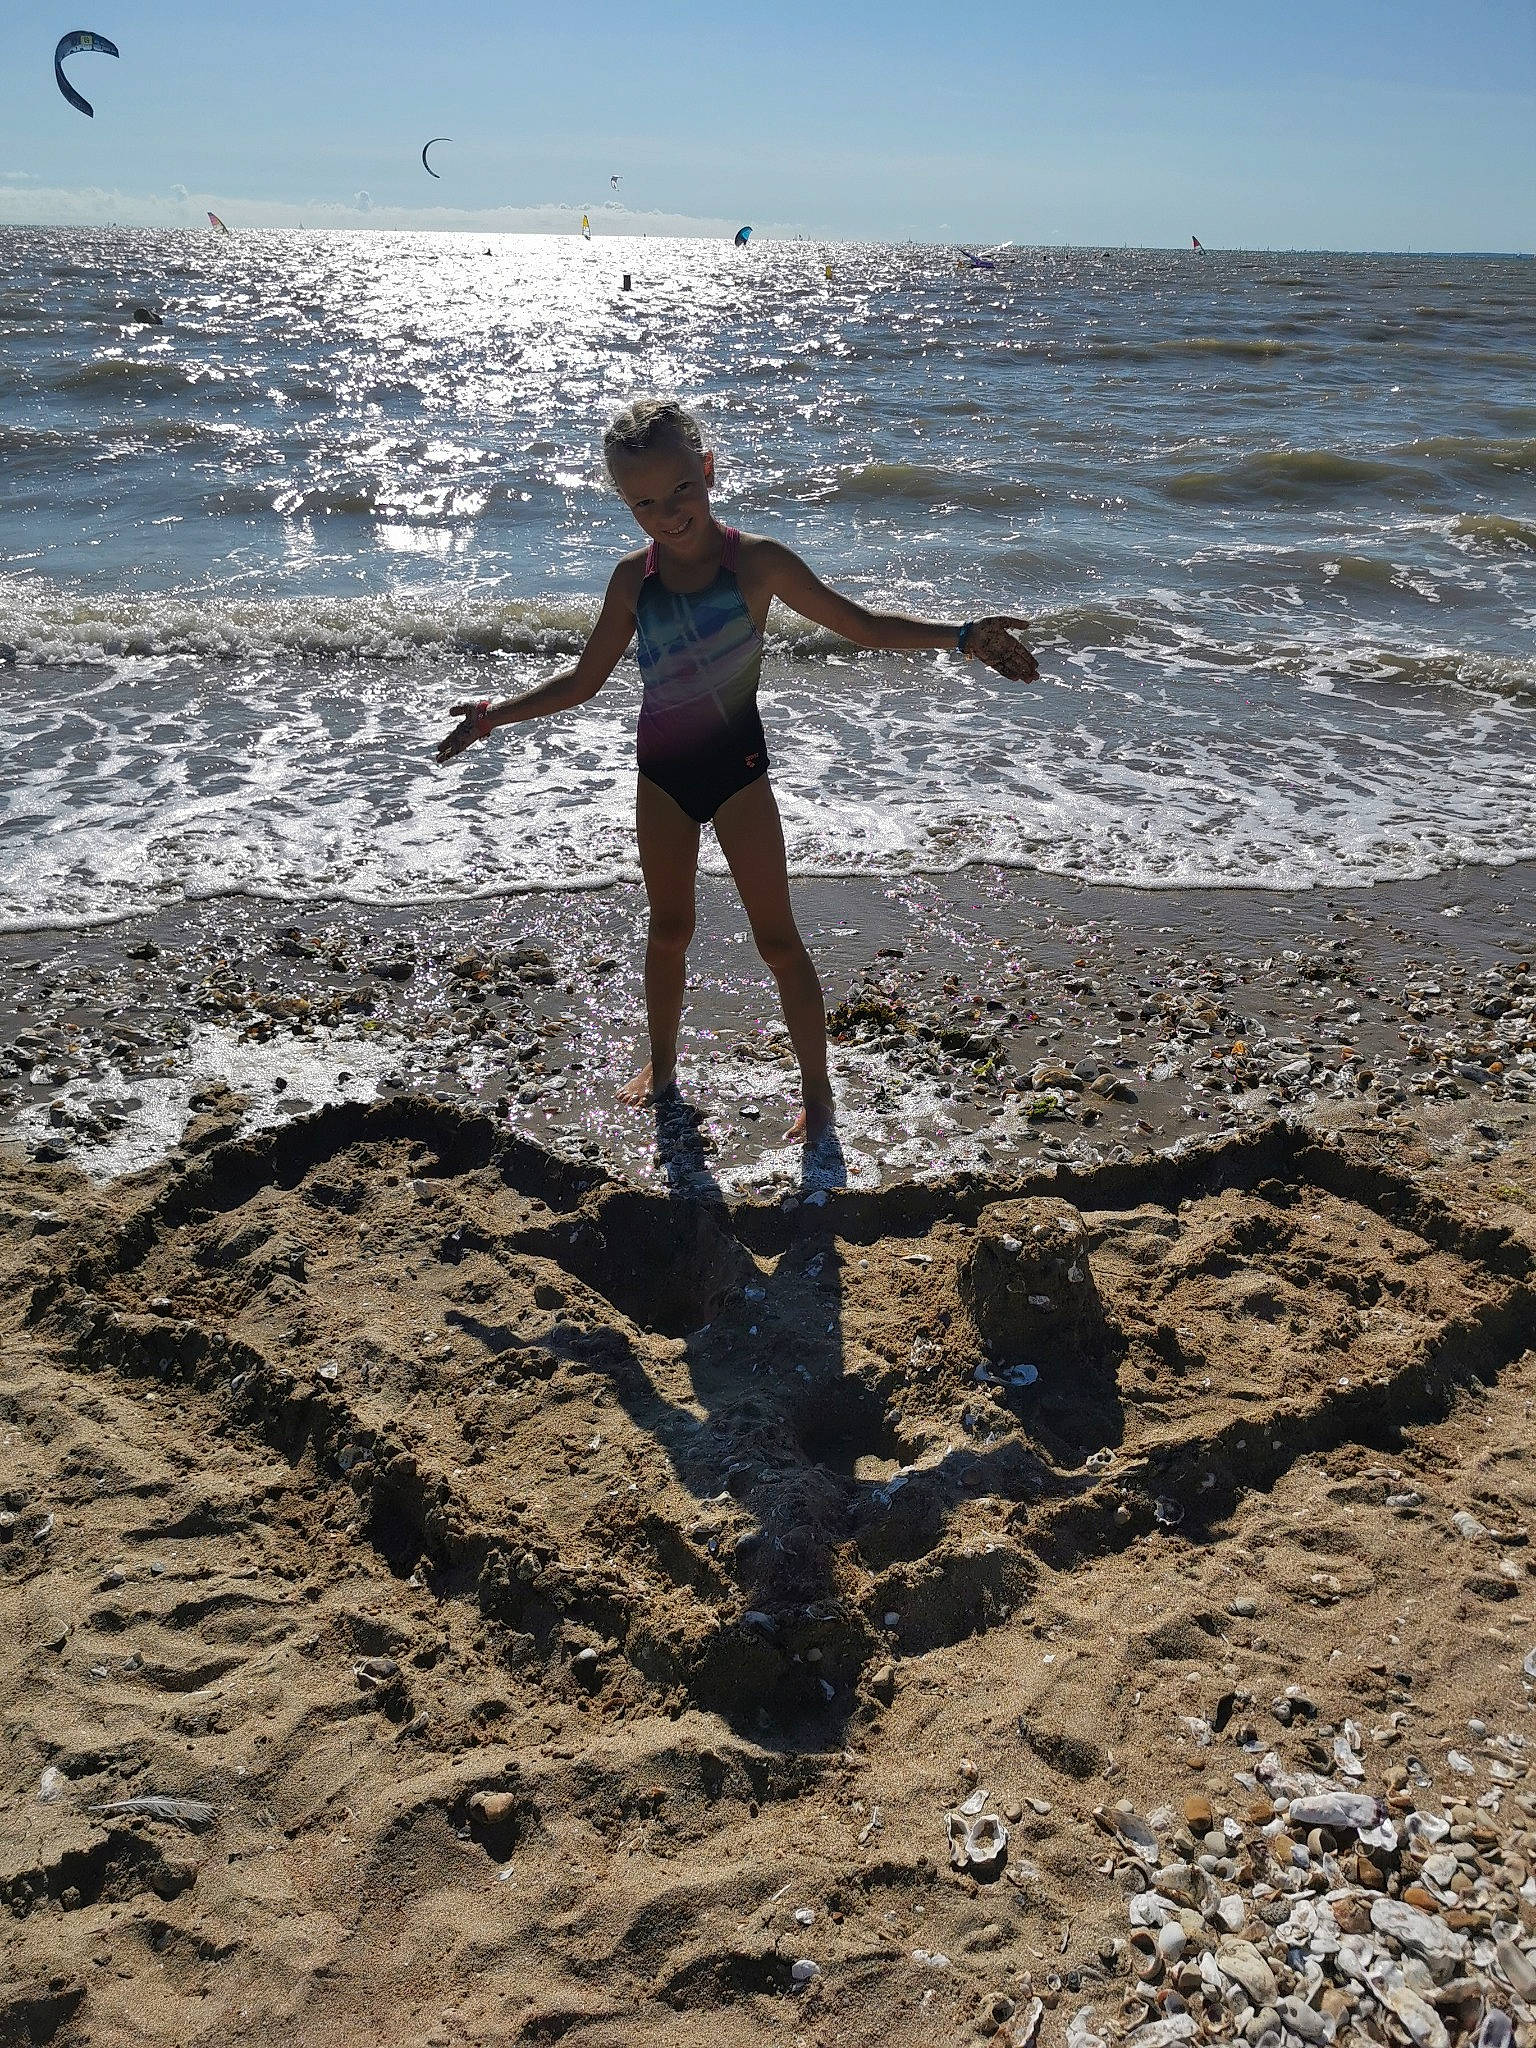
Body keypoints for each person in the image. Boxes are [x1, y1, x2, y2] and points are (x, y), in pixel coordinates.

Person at [435, 397, 1038, 1148]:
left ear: (709, 470)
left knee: (778, 942)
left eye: (681, 489)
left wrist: (961, 636)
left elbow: (863, 625)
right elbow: (583, 682)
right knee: (669, 930)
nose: (668, 513)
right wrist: (496, 714)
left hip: (740, 777)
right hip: (660, 779)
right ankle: (661, 1069)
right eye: (644, 502)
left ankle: (817, 1094)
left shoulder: (758, 562)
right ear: (626, 505)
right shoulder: (633, 581)